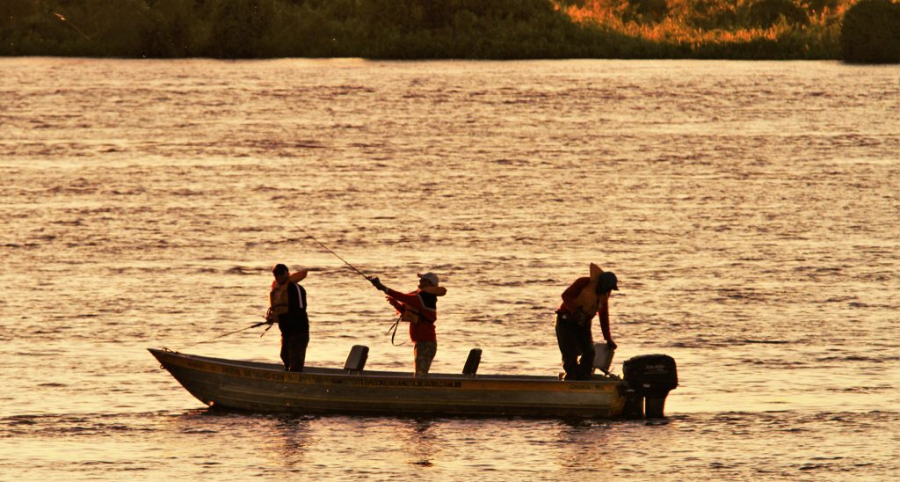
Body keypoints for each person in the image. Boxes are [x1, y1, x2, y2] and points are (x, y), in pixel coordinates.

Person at [368, 272, 447, 377]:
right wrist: (396, 304)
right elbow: (408, 310)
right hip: (422, 342)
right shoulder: (422, 297)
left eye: (423, 279)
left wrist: (382, 287)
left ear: (429, 283)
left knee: (420, 376)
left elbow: (403, 297)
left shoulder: (424, 298)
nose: (420, 281)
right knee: (419, 374)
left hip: (426, 343)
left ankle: (419, 392)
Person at [555, 263, 619, 381]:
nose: (609, 291)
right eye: (608, 288)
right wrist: (574, 311)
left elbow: (603, 316)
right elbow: (566, 295)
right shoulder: (583, 283)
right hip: (566, 321)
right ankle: (571, 378)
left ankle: (584, 377)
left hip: (584, 324)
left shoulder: (603, 295)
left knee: (589, 352)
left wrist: (608, 338)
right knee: (570, 353)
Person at [267, 264, 310, 372]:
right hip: (286, 332)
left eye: (281, 273)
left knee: (295, 362)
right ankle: (287, 380)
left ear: (287, 273)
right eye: (276, 274)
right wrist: (272, 318)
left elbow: (299, 311)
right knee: (284, 356)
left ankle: (295, 382)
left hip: (299, 332)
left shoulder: (296, 288)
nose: (279, 276)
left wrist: (280, 318)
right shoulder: (278, 291)